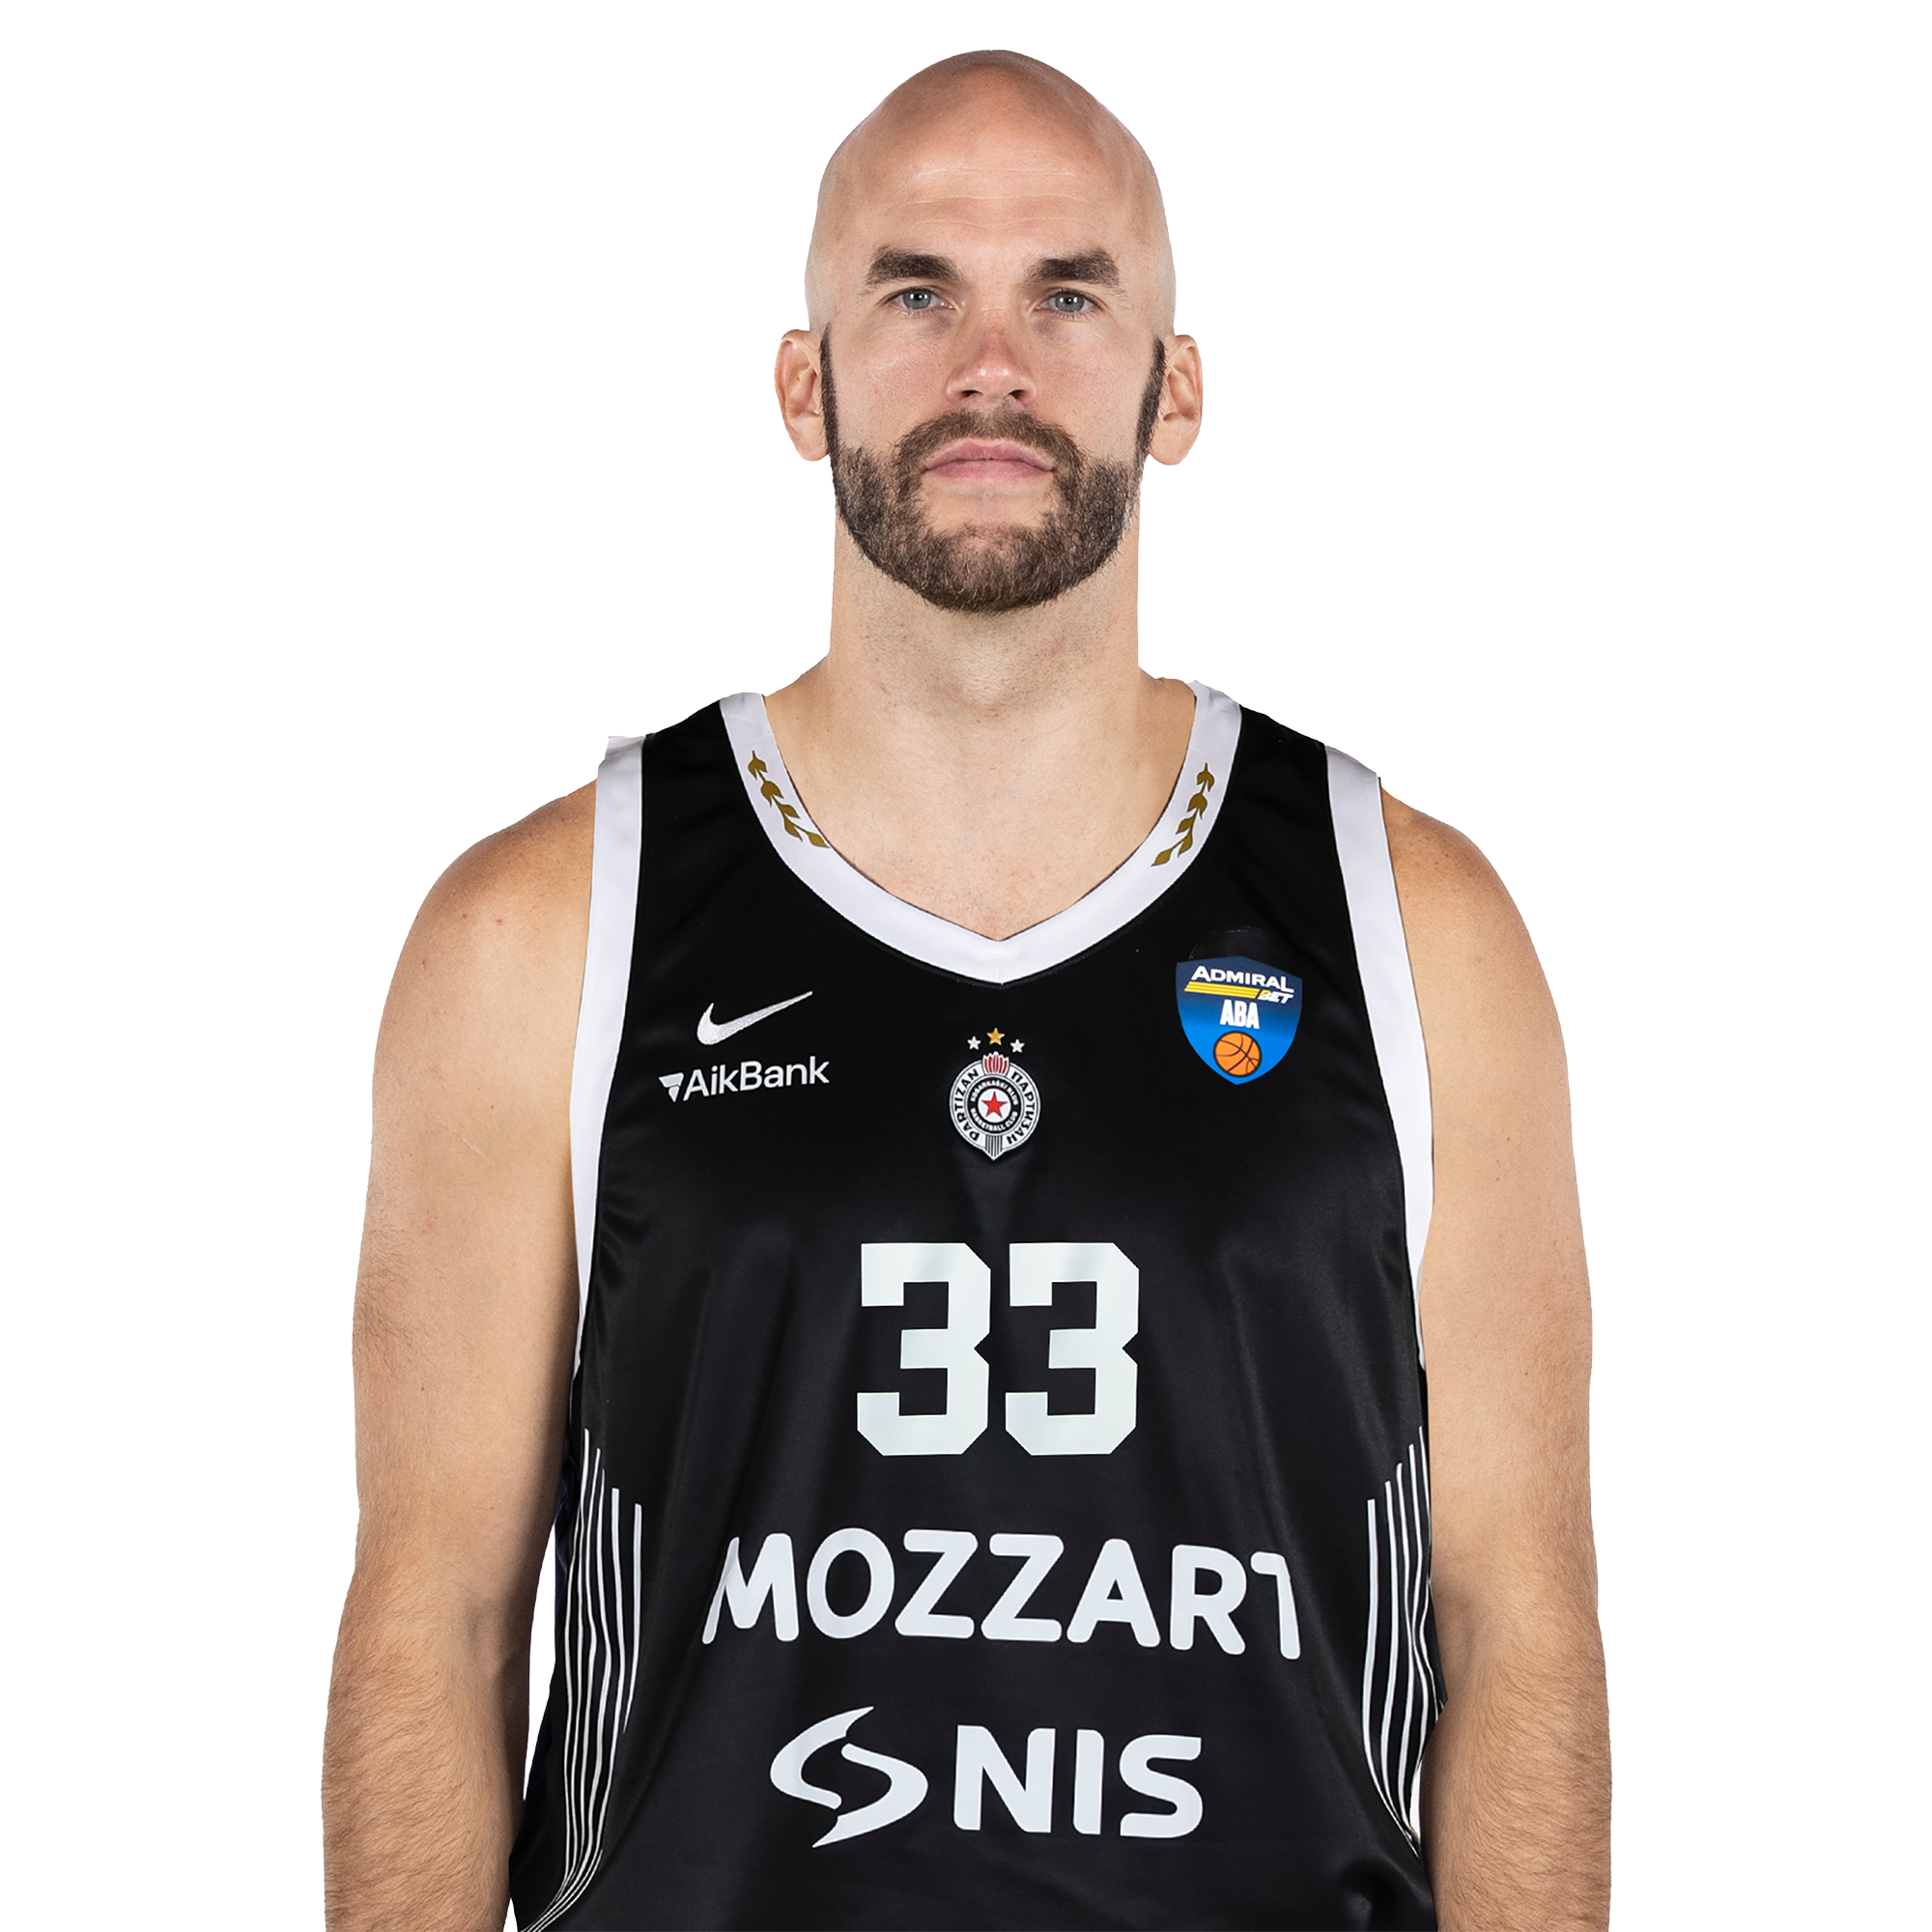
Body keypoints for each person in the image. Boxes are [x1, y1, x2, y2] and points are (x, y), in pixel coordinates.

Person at [322, 49, 1608, 1932]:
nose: (991, 363)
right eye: (916, 291)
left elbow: (1517, 1620)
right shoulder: (545, 928)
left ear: (1175, 389)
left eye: (1067, 297)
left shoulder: (1414, 924)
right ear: (803, 381)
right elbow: (432, 1617)